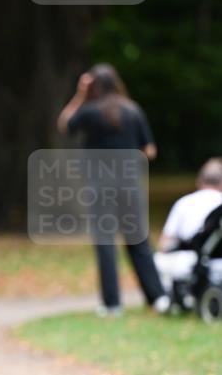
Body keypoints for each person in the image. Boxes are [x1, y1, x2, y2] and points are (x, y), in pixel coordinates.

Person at [57, 63, 170, 316]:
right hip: (129, 184)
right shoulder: (133, 111)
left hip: (100, 186)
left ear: (92, 86)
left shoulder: (89, 111)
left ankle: (112, 303)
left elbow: (64, 124)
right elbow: (150, 150)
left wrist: (79, 94)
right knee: (138, 240)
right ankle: (158, 297)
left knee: (105, 242)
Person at [153, 158, 222, 295]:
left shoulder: (184, 203)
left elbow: (164, 243)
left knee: (157, 260)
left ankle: (166, 298)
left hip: (188, 261)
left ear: (199, 181)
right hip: (218, 263)